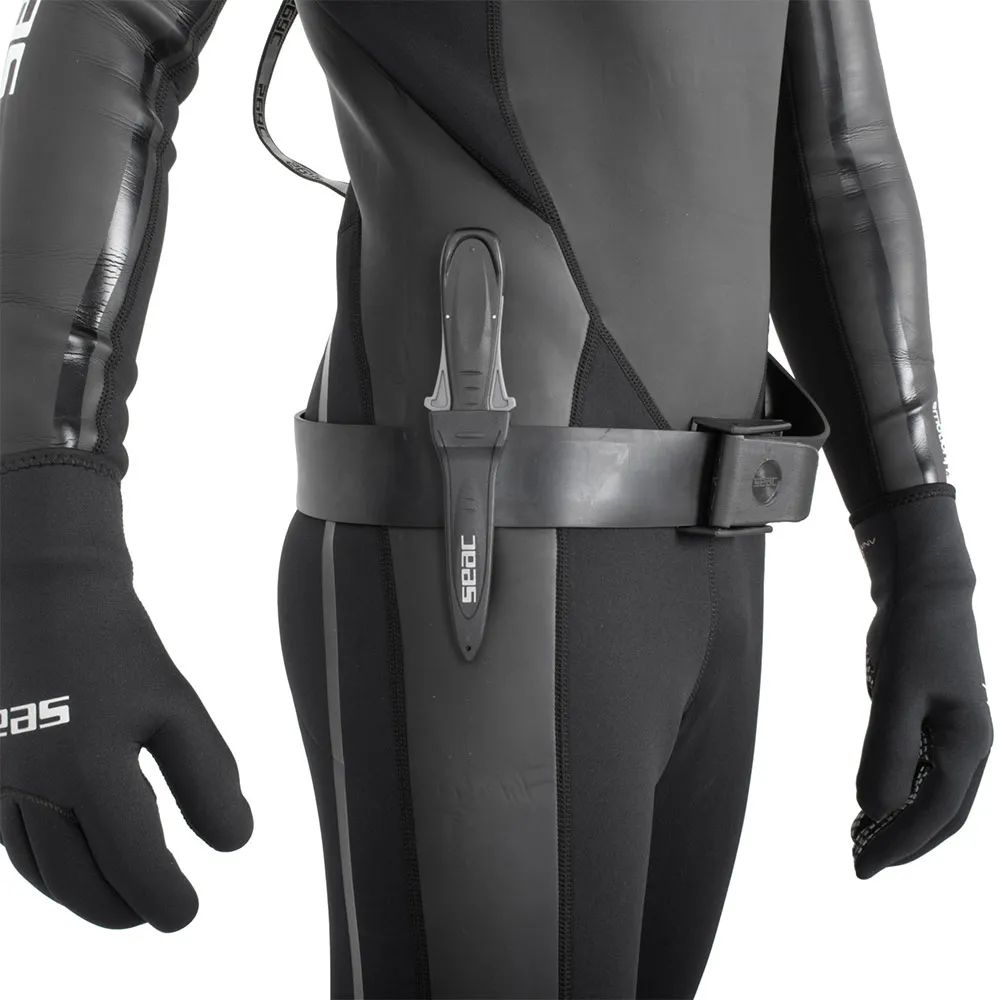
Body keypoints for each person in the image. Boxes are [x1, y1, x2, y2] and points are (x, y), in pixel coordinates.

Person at [0, 2, 991, 998]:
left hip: (709, 570)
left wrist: (924, 563)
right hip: (477, 556)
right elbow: (110, 25)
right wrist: (46, 568)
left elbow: (835, 155)